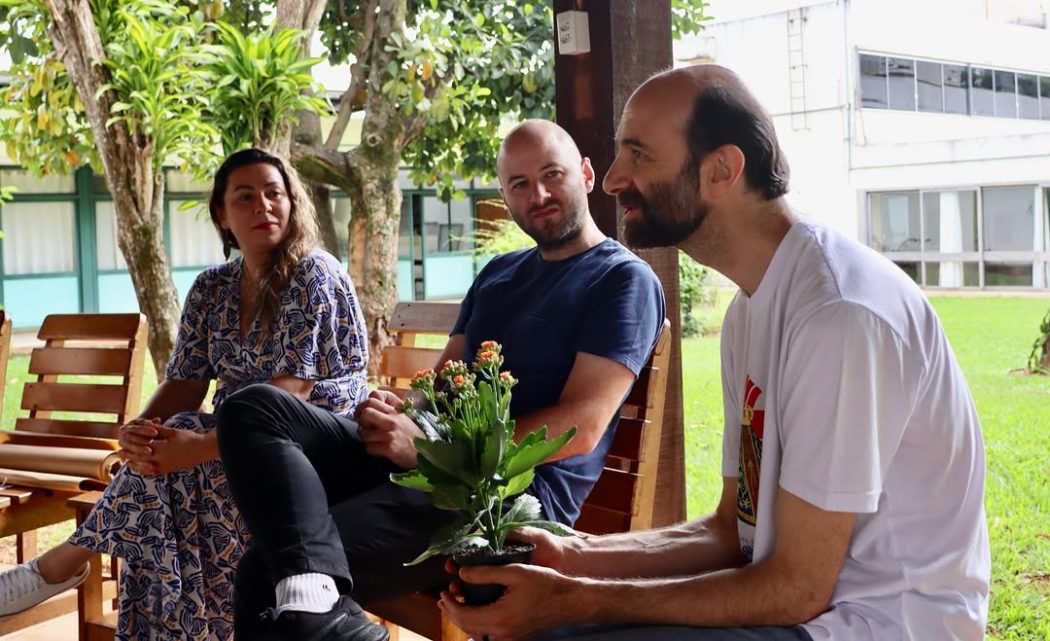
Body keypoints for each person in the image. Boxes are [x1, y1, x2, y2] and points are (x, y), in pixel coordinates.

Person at [440, 65, 991, 641]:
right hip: (802, 606)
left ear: (721, 170)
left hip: (873, 623)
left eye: (639, 154)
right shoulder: (751, 309)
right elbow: (733, 531)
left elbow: (797, 589)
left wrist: (576, 599)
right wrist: (575, 556)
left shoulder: (839, 314)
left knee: (558, 630)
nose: (612, 179)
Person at [215, 119, 666, 641]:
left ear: (585, 175)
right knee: (252, 409)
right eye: (519, 184)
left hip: (500, 501)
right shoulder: (499, 274)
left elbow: (579, 428)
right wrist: (399, 414)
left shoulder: (621, 279)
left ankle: (325, 612)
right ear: (505, 196)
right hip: (431, 468)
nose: (538, 194)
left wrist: (428, 450)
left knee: (267, 573)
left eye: (551, 174)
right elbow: (441, 385)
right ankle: (327, 612)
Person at [0, 148, 371, 641]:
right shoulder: (212, 288)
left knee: (191, 457)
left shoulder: (313, 274)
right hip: (239, 441)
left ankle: (62, 565)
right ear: (222, 214)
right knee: (169, 454)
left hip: (320, 443)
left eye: (274, 193)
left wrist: (194, 447)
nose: (263, 205)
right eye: (246, 196)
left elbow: (289, 394)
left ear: (291, 203)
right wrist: (141, 431)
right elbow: (186, 381)